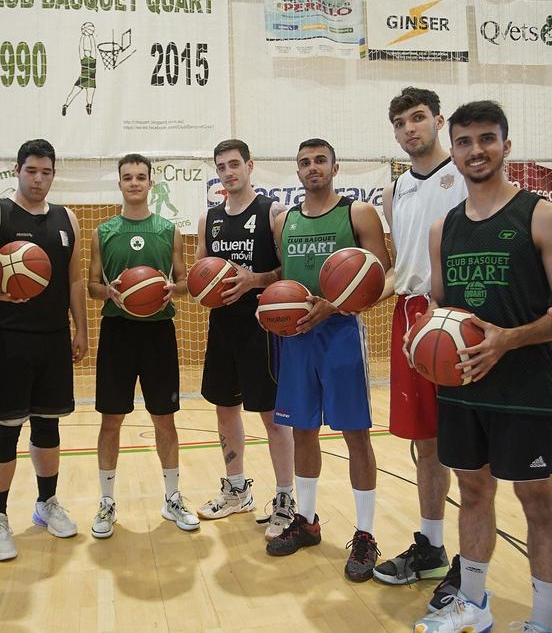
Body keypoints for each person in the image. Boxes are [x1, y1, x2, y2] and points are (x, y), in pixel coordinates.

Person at [413, 101, 552, 633]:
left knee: (537, 499)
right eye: (464, 141)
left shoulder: (542, 215)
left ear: (507, 146)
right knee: (474, 491)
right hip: (460, 389)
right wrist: (424, 340)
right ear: (453, 149)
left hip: (524, 387)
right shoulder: (444, 228)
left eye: (487, 139)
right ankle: (474, 605)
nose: (475, 150)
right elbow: (442, 310)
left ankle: (545, 621)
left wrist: (510, 339)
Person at [266, 138, 391, 584]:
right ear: (296, 172)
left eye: (320, 160)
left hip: (341, 335)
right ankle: (307, 519)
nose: (312, 167)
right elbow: (285, 280)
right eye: (304, 162)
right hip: (297, 339)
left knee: (356, 435)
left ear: (336, 167)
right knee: (302, 431)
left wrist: (334, 306)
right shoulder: (285, 222)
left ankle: (365, 534)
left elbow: (380, 276)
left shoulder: (357, 213)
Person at [0, 139, 87, 560]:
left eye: (46, 172)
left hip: (52, 337)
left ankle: (46, 504)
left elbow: (75, 280)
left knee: (47, 426)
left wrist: (82, 330)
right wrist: (1, 291)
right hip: (5, 336)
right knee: (5, 429)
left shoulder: (67, 218)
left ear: (54, 174)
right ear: (17, 169)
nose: (38, 179)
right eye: (31, 171)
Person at [375, 88, 467, 607]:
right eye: (400, 123)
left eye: (418, 118)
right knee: (426, 443)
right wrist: (349, 295)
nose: (410, 129)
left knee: (467, 446)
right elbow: (399, 268)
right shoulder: (395, 191)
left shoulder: (465, 173)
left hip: (457, 316)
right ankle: (431, 546)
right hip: (409, 316)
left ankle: (471, 565)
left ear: (438, 119)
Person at [87, 153, 198, 537]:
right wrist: (110, 292)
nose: (134, 183)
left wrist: (172, 289)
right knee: (111, 420)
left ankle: (172, 497)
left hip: (158, 333)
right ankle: (106, 502)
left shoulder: (169, 230)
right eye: (127, 177)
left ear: (151, 183)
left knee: (164, 420)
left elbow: (185, 282)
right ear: (119, 184)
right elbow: (91, 286)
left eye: (140, 177)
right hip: (117, 332)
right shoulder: (103, 231)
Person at [194, 139, 296, 539]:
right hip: (223, 325)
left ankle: (286, 498)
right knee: (224, 408)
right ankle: (237, 489)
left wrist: (257, 279)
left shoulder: (273, 212)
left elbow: (288, 269)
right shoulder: (210, 218)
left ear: (250, 166)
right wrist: (204, 286)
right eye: (221, 166)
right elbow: (202, 267)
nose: (228, 172)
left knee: (271, 417)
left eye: (234, 164)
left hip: (262, 328)